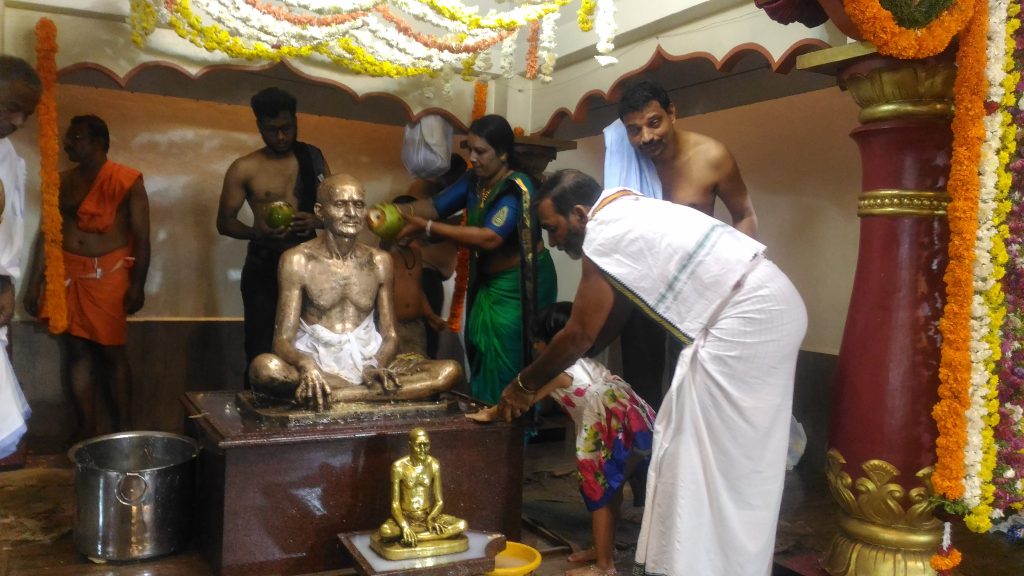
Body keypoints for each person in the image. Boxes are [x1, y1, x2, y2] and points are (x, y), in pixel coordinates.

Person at [499, 169, 806, 576]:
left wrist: (522, 385)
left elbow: (578, 334)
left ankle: (713, 566)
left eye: (552, 228)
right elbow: (610, 319)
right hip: (765, 307)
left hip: (746, 318)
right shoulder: (625, 209)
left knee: (708, 462)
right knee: (706, 458)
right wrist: (577, 356)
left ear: (580, 214)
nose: (553, 242)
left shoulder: (603, 231)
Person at [470, 302, 655, 576]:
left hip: (608, 423)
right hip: (634, 418)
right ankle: (603, 550)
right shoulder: (586, 362)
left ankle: (604, 567)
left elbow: (524, 400)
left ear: (556, 341)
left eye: (538, 340)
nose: (535, 347)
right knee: (611, 489)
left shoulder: (558, 369)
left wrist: (491, 413)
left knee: (599, 491)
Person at [247, 175, 462, 410]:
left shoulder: (379, 261)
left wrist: (375, 365)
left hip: (371, 363)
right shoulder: (297, 260)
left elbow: (390, 334)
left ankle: (339, 396)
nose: (351, 213)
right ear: (320, 211)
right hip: (319, 364)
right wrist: (306, 364)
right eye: (340, 204)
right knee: (264, 368)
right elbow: (282, 340)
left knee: (449, 371)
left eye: (358, 205)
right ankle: (364, 393)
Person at [391, 115, 557, 405]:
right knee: (481, 346)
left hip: (518, 287)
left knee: (510, 355)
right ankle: (486, 412)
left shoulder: (516, 187)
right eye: (470, 149)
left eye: (481, 151)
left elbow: (490, 237)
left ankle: (511, 420)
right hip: (489, 283)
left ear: (502, 153)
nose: (472, 158)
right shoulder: (474, 181)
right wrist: (390, 213)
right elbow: (434, 206)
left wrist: (427, 228)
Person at [24, 115, 151, 441]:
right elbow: (48, 234)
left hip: (108, 275)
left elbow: (142, 237)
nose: (68, 144)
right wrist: (35, 282)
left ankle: (124, 430)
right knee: (76, 350)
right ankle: (86, 429)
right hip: (68, 273)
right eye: (68, 138)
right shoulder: (61, 181)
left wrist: (138, 285)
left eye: (76, 138)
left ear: (99, 142)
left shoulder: (126, 180)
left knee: (111, 352)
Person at [217, 87, 331, 382]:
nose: (281, 137)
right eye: (272, 130)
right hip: (265, 265)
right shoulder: (245, 167)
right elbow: (224, 222)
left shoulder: (313, 157)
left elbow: (334, 209)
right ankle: (258, 403)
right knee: (260, 344)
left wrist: (316, 220)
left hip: (310, 265)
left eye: (287, 128)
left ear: (296, 120)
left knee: (313, 343)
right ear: (259, 126)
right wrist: (256, 231)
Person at [0, 56, 41, 460]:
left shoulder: (9, 154)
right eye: (10, 108)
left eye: (25, 114)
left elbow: (9, 224)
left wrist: (6, 281)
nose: (18, 121)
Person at [402, 154, 466, 358]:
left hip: (436, 279)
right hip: (421, 273)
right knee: (418, 348)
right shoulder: (421, 191)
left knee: (430, 346)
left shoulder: (461, 199)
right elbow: (417, 229)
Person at [374, 427, 467, 556]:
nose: (423, 449)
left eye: (426, 445)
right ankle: (413, 534)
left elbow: (439, 501)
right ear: (410, 445)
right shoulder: (399, 467)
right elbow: (395, 504)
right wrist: (405, 526)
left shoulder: (434, 464)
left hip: (427, 518)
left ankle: (416, 538)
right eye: (419, 445)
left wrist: (431, 518)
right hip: (406, 518)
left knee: (462, 525)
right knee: (385, 532)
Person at [386, 196, 446, 357]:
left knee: (419, 365)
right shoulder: (384, 255)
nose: (406, 230)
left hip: (416, 326)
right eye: (400, 224)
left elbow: (418, 290)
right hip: (393, 327)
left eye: (411, 226)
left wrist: (430, 315)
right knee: (395, 368)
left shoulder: (416, 253)